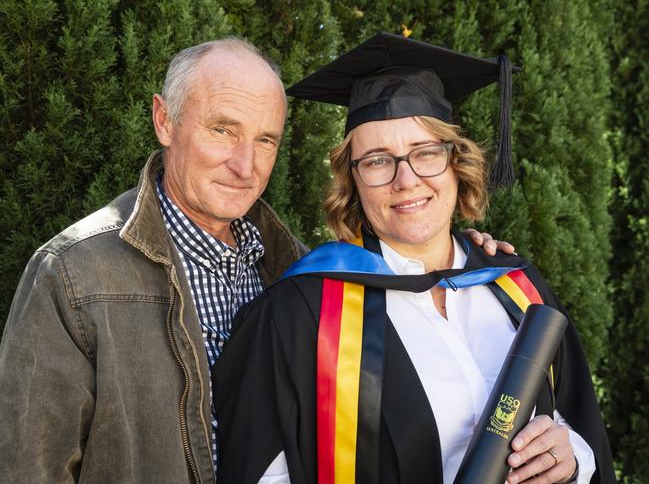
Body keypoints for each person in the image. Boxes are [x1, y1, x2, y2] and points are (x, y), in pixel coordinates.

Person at [0, 36, 505, 483]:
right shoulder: (75, 276)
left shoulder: (307, 281)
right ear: (164, 120)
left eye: (265, 140)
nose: (245, 165)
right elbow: (29, 468)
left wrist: (460, 260)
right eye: (223, 129)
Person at [213, 33, 615, 484]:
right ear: (353, 181)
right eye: (378, 160)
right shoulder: (300, 313)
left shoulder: (518, 288)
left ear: (456, 163)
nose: (406, 179)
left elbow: (580, 426)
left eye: (425, 153)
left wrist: (573, 460)